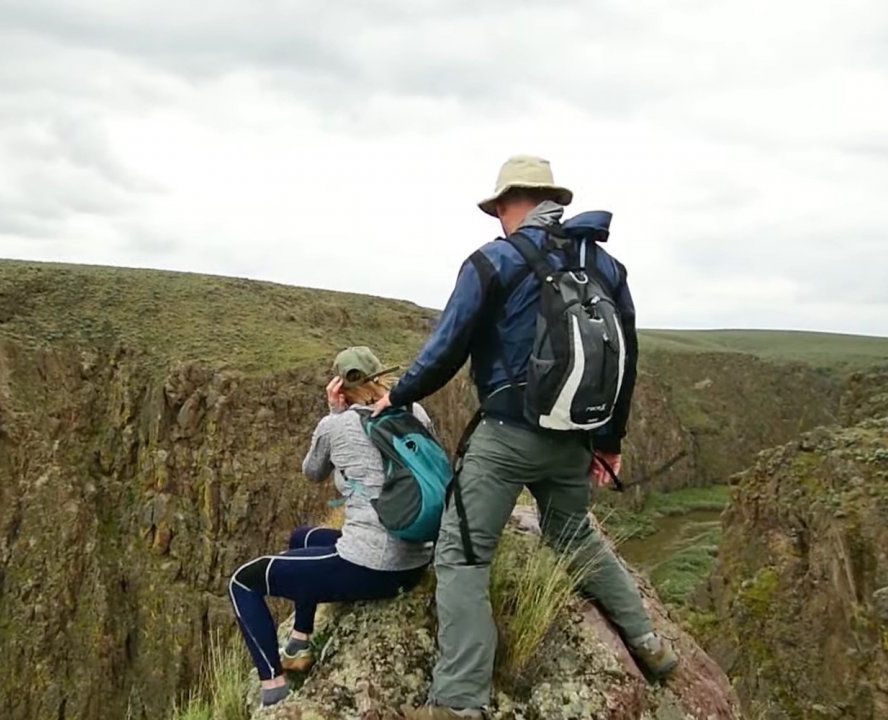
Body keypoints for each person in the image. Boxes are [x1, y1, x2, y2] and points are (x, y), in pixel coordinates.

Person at [369, 155, 679, 719]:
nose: (496, 218)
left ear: (513, 203)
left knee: (462, 556)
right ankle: (650, 645)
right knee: (575, 537)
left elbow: (448, 345)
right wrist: (609, 440)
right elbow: (625, 358)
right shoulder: (604, 266)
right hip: (575, 440)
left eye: (499, 208)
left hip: (507, 438)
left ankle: (458, 702)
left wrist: (401, 393)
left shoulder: (495, 260)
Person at [229, 346, 435, 708]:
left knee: (243, 581)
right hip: (416, 557)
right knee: (301, 539)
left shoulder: (335, 425)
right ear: (379, 374)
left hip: (372, 568)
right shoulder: (415, 410)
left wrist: (333, 413)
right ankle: (299, 643)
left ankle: (273, 686)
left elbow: (313, 472)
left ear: (339, 385)